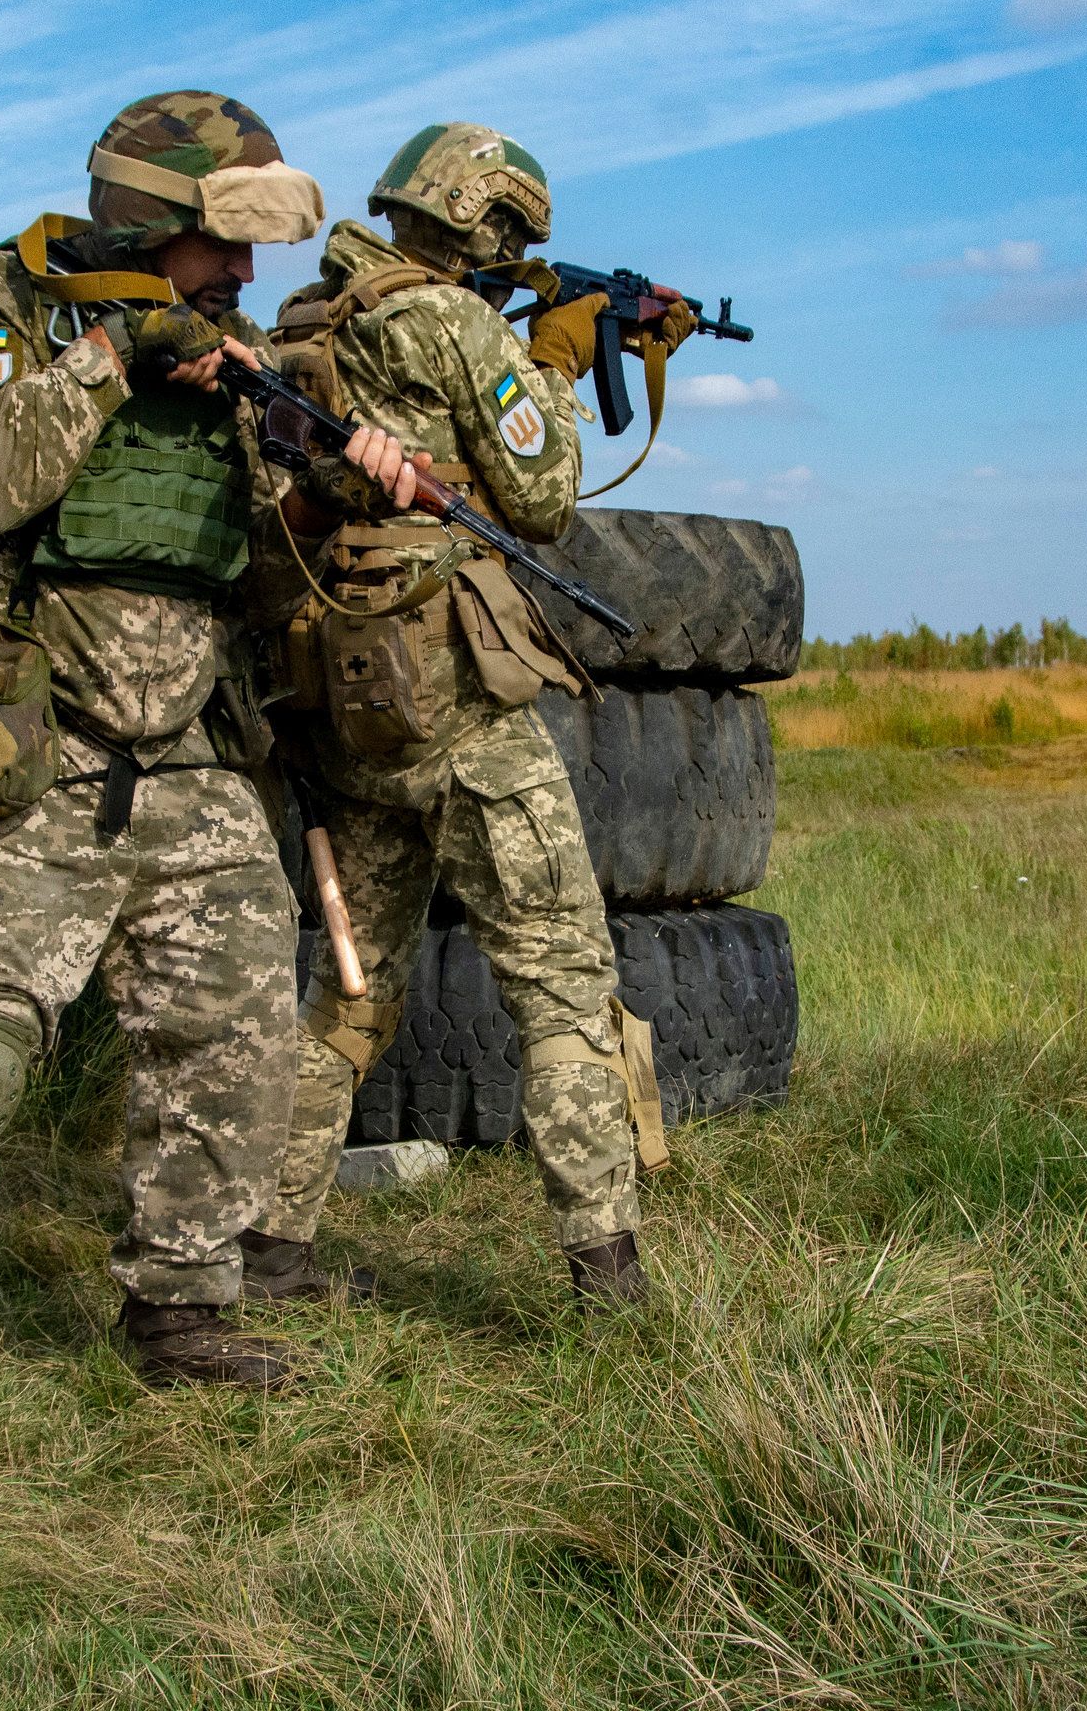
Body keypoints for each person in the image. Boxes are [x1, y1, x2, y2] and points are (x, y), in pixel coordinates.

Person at [0, 91, 330, 1548]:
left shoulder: (238, 351)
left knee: (241, 1034)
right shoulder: (4, 302)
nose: (244, 277)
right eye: (221, 248)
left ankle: (179, 1312)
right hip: (27, 751)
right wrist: (123, 356)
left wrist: (323, 465)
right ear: (148, 223)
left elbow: (253, 567)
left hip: (187, 756)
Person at [239, 123, 695, 1313]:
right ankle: (610, 1280)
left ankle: (271, 1251)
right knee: (559, 978)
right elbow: (541, 495)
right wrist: (549, 357)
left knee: (350, 992)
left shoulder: (299, 323)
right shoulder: (451, 325)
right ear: (487, 224)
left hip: (338, 697)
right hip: (455, 695)